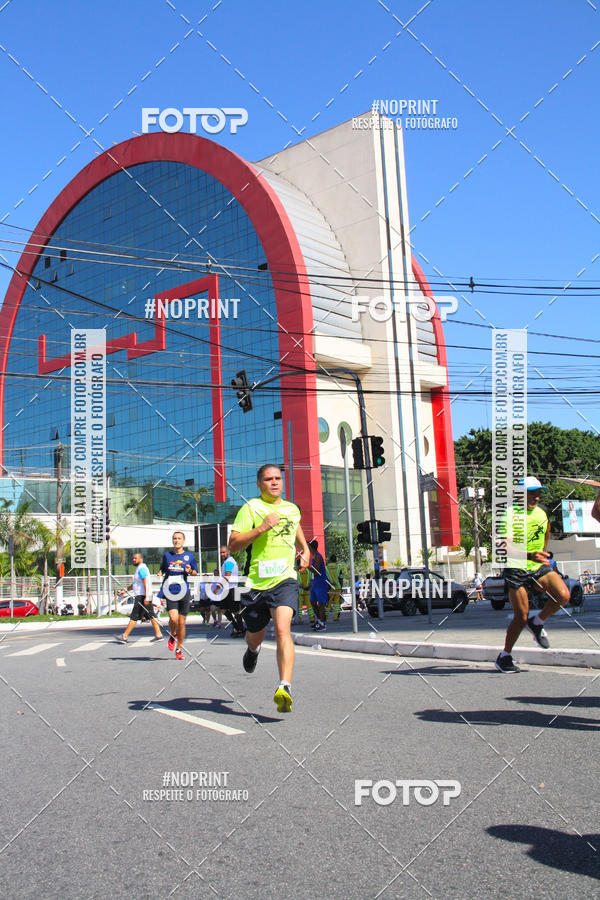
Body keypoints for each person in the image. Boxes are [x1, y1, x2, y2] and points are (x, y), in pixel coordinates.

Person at [228, 464, 310, 713]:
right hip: (256, 584)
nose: (274, 482)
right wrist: (262, 527)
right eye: (268, 479)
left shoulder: (291, 508)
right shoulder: (251, 508)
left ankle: (284, 686)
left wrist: (305, 549)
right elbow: (233, 544)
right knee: (256, 633)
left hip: (285, 579)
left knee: (283, 629)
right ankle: (253, 649)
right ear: (259, 484)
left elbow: (295, 524)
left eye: (277, 478)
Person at [495, 476, 570, 674]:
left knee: (563, 595)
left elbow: (546, 532)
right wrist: (529, 555)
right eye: (531, 493)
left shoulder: (542, 513)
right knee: (521, 616)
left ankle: (537, 622)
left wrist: (542, 554)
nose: (536, 497)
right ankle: (504, 656)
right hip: (516, 568)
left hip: (536, 566)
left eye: (538, 493)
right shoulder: (509, 514)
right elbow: (503, 547)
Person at [157, 531, 198, 660]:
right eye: (175, 538)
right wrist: (159, 573)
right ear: (172, 540)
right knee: (173, 619)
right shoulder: (167, 555)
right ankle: (173, 633)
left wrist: (190, 570)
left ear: (183, 541)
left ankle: (179, 649)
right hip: (170, 590)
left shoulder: (189, 556)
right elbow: (163, 568)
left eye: (179, 538)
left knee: (182, 622)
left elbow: (195, 572)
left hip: (184, 591)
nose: (177, 540)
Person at [116, 552, 163, 643]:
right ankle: (159, 635)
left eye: (135, 558)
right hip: (144, 595)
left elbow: (146, 583)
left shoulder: (141, 569)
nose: (133, 560)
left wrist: (146, 597)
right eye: (133, 558)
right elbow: (135, 584)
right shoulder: (139, 569)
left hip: (142, 596)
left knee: (135, 616)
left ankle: (124, 636)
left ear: (141, 559)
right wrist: (125, 590)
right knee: (151, 615)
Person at [219, 545, 245, 636]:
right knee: (223, 609)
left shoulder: (229, 562)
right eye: (221, 552)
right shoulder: (227, 561)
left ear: (228, 552)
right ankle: (237, 627)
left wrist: (219, 586)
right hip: (227, 589)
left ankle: (240, 629)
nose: (222, 554)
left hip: (232, 589)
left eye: (224, 552)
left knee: (235, 610)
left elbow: (227, 575)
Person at [309, 539, 329, 631]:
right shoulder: (314, 557)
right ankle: (319, 620)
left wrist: (307, 567)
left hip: (321, 583)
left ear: (311, 548)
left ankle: (322, 624)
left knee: (321, 604)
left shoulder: (318, 556)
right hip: (315, 583)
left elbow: (316, 571)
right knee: (313, 602)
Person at [326, 554, 343, 621]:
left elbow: (325, 578)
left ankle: (326, 616)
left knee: (328, 602)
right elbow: (341, 578)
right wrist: (341, 587)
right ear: (336, 560)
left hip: (329, 587)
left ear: (330, 560)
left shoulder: (326, 567)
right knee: (337, 603)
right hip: (338, 587)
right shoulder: (338, 567)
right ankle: (335, 617)